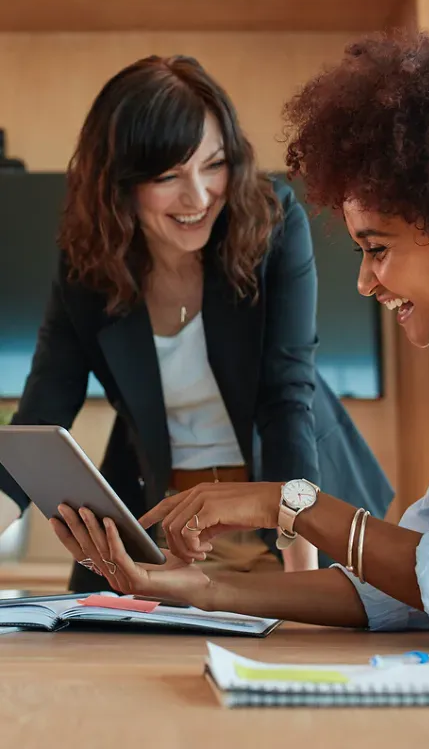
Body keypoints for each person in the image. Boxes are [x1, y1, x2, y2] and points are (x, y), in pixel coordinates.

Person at [51, 25, 429, 651]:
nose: (363, 281)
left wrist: (290, 503)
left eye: (376, 249)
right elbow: (409, 589)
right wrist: (200, 591)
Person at [0, 54, 394, 591]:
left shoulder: (272, 224)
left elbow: (286, 397)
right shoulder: (88, 264)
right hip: (161, 520)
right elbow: (43, 413)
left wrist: (302, 577)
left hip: (286, 507)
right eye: (168, 176)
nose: (199, 196)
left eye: (213, 164)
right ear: (119, 184)